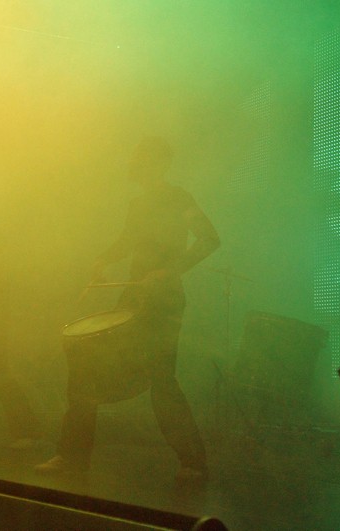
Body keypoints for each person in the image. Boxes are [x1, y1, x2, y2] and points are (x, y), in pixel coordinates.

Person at [36, 136, 220, 481]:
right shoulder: (137, 204)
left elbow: (210, 239)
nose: (135, 164)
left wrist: (169, 271)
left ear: (159, 164)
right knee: (85, 366)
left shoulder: (180, 198)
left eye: (142, 159)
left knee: (162, 381)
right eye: (136, 158)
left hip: (164, 303)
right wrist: (103, 259)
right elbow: (127, 241)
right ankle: (72, 456)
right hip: (134, 298)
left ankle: (193, 462)